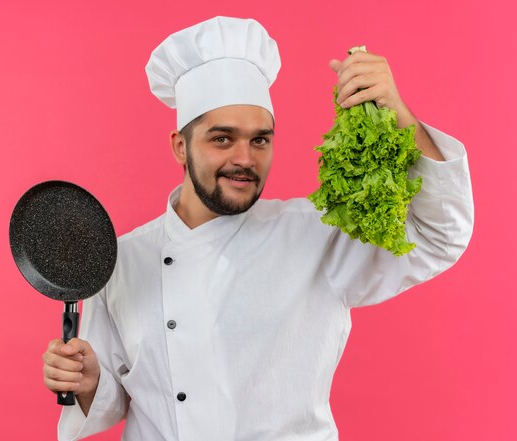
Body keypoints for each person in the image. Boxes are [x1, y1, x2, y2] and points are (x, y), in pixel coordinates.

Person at [42, 16, 474, 441]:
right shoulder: (122, 258)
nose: (245, 159)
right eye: (222, 138)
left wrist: (401, 117)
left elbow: (441, 234)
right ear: (180, 146)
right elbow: (116, 399)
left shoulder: (316, 232)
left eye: (260, 140)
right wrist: (89, 381)